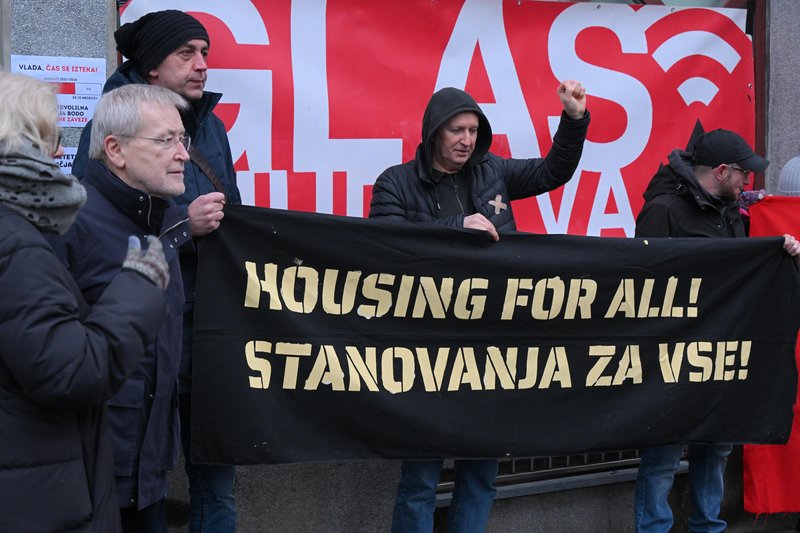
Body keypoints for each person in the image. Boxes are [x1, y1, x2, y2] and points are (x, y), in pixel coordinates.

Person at [369, 82, 590, 532]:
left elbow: (553, 171)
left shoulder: (493, 171)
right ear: (434, 132)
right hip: (426, 352)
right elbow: (386, 249)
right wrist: (456, 226)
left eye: (473, 130)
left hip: (491, 348)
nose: (467, 140)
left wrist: (574, 120)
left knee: (481, 475)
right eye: (457, 130)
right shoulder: (395, 182)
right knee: (420, 480)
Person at [72, 10, 241, 531]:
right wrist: (182, 228)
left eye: (206, 53)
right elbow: (101, 233)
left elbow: (230, 210)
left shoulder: (210, 125)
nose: (201, 65)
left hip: (203, 328)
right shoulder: (112, 123)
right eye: (186, 53)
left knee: (215, 478)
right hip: (138, 355)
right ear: (149, 68)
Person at [0, 72, 170, 532]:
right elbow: (70, 372)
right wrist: (137, 289)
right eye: (47, 139)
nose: (59, 153)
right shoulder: (15, 242)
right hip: (34, 489)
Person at [633, 128, 800, 533]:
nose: (750, 182)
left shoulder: (731, 211)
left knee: (716, 448)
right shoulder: (664, 210)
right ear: (723, 172)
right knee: (663, 456)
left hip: (720, 353)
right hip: (672, 356)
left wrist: (782, 252)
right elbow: (641, 283)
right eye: (745, 174)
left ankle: (709, 526)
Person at [49, 84, 198, 532]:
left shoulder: (160, 223)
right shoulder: (67, 225)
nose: (183, 155)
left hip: (146, 477)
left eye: (183, 139)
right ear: (115, 149)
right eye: (165, 140)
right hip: (82, 481)